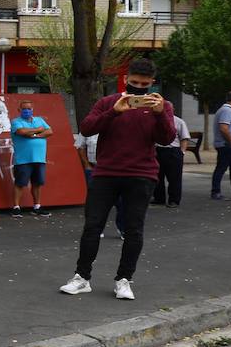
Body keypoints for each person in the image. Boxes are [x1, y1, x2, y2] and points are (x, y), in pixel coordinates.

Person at [59, 58, 174, 300]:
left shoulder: (161, 106)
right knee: (92, 226)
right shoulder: (108, 102)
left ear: (152, 83)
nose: (139, 89)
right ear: (125, 79)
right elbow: (87, 128)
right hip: (106, 173)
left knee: (134, 230)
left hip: (141, 175)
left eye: (144, 84)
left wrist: (160, 113)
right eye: (134, 83)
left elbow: (166, 138)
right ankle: (82, 277)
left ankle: (124, 280)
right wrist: (113, 112)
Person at [9, 99, 53, 217]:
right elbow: (22, 132)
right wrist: (38, 130)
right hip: (23, 159)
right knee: (20, 183)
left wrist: (34, 134)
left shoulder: (39, 120)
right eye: (24, 109)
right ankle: (16, 207)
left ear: (32, 109)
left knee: (37, 183)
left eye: (29, 109)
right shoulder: (16, 121)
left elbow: (49, 131)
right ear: (19, 110)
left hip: (39, 158)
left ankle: (37, 207)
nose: (27, 111)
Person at [152, 113, 192, 208]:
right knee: (157, 176)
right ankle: (159, 198)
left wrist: (182, 152)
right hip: (158, 150)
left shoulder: (179, 121)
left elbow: (184, 138)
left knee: (174, 177)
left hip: (173, 150)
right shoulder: (155, 120)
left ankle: (174, 200)